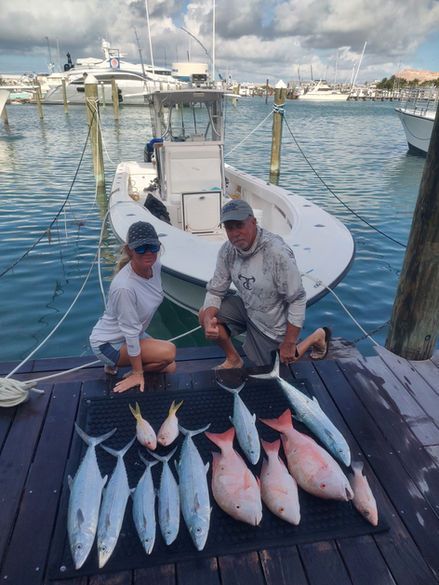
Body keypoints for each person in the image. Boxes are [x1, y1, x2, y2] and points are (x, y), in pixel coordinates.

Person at [199, 200, 331, 369]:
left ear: (253, 222)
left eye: (239, 225)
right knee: (204, 314)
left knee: (282, 362)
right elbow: (215, 291)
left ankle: (317, 336)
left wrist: (290, 342)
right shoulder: (227, 250)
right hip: (247, 305)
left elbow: (297, 299)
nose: (235, 233)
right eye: (229, 228)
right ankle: (233, 359)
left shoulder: (277, 252)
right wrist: (209, 318)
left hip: (273, 321)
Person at [90, 221, 176, 393]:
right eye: (141, 248)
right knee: (169, 351)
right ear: (129, 250)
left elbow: (132, 331)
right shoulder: (125, 287)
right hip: (108, 345)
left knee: (170, 366)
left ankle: (117, 367)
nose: (149, 253)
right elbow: (130, 332)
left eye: (152, 247)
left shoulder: (155, 266)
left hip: (131, 334)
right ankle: (127, 368)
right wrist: (138, 373)